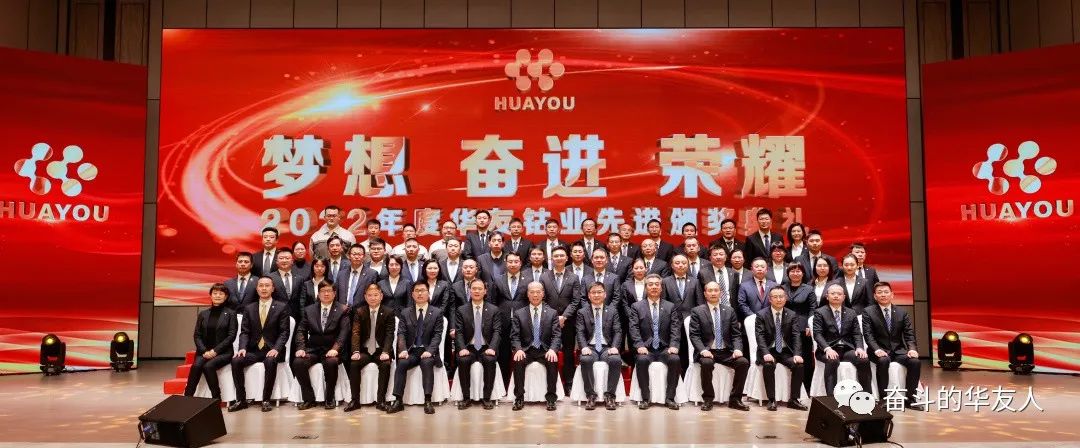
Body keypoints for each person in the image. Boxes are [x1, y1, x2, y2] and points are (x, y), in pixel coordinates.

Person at [229, 276, 291, 413]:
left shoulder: (281, 307)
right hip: (254, 350)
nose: (264, 288)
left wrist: (276, 348)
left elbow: (284, 332)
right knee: (236, 361)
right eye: (261, 285)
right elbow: (245, 332)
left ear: (273, 288)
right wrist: (242, 348)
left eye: (267, 285)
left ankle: (266, 400)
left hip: (273, 349)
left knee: (270, 361)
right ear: (257, 289)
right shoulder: (249, 308)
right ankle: (241, 400)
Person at [688, 281, 750, 411]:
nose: (713, 293)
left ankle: (735, 399)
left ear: (720, 293)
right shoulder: (697, 311)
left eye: (716, 290)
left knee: (743, 362)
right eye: (710, 290)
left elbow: (736, 334)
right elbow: (694, 335)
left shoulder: (729, 310)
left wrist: (737, 348)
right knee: (706, 363)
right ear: (705, 294)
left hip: (726, 351)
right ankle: (708, 399)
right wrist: (703, 350)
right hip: (708, 351)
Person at [861, 282, 923, 410]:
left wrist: (912, 349)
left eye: (886, 292)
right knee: (883, 361)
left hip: (898, 351)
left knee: (915, 362)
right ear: (875, 296)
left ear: (892, 294)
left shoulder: (901, 312)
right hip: (878, 350)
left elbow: (909, 334)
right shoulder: (868, 312)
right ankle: (883, 399)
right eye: (879, 292)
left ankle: (910, 399)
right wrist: (876, 349)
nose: (883, 295)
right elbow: (868, 335)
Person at [387, 282, 445, 415]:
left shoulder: (437, 312)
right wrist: (403, 349)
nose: (420, 293)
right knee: (402, 363)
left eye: (423, 290)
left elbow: (437, 335)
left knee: (427, 363)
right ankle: (398, 400)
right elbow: (401, 333)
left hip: (428, 351)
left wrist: (430, 351)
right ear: (412, 294)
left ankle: (428, 400)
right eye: (417, 291)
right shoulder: (405, 312)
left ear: (428, 293)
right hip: (411, 351)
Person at [291, 280, 350, 410]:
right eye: (323, 291)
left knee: (331, 362)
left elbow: (344, 333)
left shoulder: (342, 309)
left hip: (332, 349)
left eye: (329, 291)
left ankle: (329, 398)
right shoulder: (309, 310)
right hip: (313, 349)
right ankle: (309, 399)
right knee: (298, 362)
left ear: (334, 293)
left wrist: (335, 349)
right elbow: (301, 330)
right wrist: (301, 348)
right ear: (318, 294)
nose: (326, 294)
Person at [628, 274, 681, 410]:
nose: (654, 287)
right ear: (646, 287)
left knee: (675, 359)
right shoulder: (637, 306)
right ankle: (646, 398)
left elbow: (675, 328)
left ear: (661, 288)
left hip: (664, 348)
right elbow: (633, 328)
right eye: (650, 284)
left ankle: (670, 398)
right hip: (646, 349)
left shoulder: (670, 306)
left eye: (657, 284)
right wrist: (639, 345)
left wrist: (674, 345)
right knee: (641, 360)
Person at [510, 282, 562, 411]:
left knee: (552, 360)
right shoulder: (519, 313)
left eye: (538, 292)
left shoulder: (552, 313)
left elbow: (557, 335)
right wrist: (518, 349)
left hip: (545, 350)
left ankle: (551, 399)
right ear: (527, 294)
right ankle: (519, 398)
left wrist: (552, 350)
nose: (535, 295)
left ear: (543, 294)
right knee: (518, 360)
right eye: (532, 292)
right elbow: (514, 336)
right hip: (526, 350)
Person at [812, 284, 872, 397]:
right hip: (826, 350)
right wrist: (827, 349)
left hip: (846, 349)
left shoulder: (851, 312)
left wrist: (859, 348)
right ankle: (831, 399)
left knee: (863, 360)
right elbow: (818, 334)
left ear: (844, 297)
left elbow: (856, 333)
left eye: (839, 294)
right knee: (832, 360)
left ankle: (867, 396)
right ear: (827, 296)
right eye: (833, 293)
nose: (836, 296)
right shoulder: (820, 312)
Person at [754, 286, 807, 411]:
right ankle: (772, 399)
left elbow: (796, 336)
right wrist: (765, 353)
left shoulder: (792, 314)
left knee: (799, 365)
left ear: (786, 298)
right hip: (768, 350)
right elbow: (760, 336)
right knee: (768, 365)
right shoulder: (761, 314)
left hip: (785, 351)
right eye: (775, 297)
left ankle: (794, 400)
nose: (779, 299)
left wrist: (797, 354)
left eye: (781, 296)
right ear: (770, 299)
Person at [539, 246, 583, 394]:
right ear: (551, 259)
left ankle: (569, 383)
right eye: (556, 256)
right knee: (549, 351)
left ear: (566, 258)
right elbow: (542, 299)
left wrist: (564, 316)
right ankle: (550, 384)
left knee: (569, 353)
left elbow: (576, 300)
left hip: (568, 322)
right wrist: (554, 317)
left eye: (561, 255)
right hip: (548, 321)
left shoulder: (574, 277)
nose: (559, 258)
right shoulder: (544, 277)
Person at [344, 284, 395, 412]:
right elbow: (355, 333)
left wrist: (386, 351)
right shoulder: (360, 311)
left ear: (381, 296)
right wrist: (356, 351)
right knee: (354, 363)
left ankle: (381, 401)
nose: (373, 298)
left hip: (380, 350)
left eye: (376, 295)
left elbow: (389, 334)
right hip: (365, 350)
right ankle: (355, 401)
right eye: (370, 295)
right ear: (365, 297)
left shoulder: (389, 312)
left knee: (385, 364)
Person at [454, 278, 502, 410]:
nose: (476, 291)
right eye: (474, 288)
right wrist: (462, 348)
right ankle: (466, 398)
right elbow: (459, 332)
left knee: (489, 360)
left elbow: (497, 331)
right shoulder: (462, 310)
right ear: (469, 291)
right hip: (469, 347)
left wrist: (492, 348)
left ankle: (487, 398)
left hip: (486, 347)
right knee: (463, 360)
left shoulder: (494, 310)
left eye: (480, 289)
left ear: (485, 291)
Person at [185, 283, 238, 399]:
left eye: (221, 293)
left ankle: (216, 398)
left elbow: (231, 336)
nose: (217, 296)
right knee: (196, 366)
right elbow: (197, 335)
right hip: (204, 352)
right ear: (210, 295)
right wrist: (204, 351)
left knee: (208, 366)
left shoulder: (231, 314)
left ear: (226, 297)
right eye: (215, 293)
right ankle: (187, 398)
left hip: (223, 352)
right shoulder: (203, 314)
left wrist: (215, 351)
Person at [576, 282, 622, 411]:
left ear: (605, 294)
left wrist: (615, 347)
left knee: (616, 359)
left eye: (599, 292)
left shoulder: (612, 311)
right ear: (589, 295)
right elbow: (580, 332)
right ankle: (591, 395)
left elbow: (618, 331)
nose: (596, 295)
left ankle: (610, 396)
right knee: (585, 360)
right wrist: (583, 347)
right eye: (593, 292)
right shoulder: (582, 312)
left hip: (607, 347)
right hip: (590, 347)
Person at [493, 252, 528, 386]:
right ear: (505, 263)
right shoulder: (498, 280)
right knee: (503, 355)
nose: (513, 264)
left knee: (522, 353)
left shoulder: (528, 279)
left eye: (516, 261)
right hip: (503, 322)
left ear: (520, 263)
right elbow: (493, 302)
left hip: (523, 322)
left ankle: (521, 385)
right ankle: (504, 385)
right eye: (510, 261)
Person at [783, 263, 816, 390]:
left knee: (805, 357)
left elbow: (813, 308)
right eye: (792, 271)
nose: (795, 273)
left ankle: (806, 387)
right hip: (785, 326)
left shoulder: (808, 289)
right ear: (788, 273)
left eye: (798, 271)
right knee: (788, 355)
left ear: (803, 273)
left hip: (803, 327)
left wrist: (809, 324)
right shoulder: (782, 287)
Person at [619, 258, 649, 366]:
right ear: (632, 269)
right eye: (636, 268)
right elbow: (624, 303)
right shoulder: (626, 285)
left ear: (646, 269)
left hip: (648, 320)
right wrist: (632, 318)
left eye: (641, 267)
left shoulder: (651, 283)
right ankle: (633, 368)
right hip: (631, 321)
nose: (639, 270)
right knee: (633, 346)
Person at [336, 244, 379, 312]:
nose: (356, 257)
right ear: (349, 256)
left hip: (362, 312)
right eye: (354, 254)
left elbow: (375, 295)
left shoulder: (372, 274)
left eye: (359, 254)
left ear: (364, 256)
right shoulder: (341, 274)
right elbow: (336, 294)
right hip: (342, 311)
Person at [268, 247, 304, 318]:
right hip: (275, 316)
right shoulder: (270, 278)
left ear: (292, 261)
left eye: (287, 258)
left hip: (296, 316)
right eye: (281, 258)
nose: (284, 260)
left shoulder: (299, 279)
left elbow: (301, 299)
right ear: (276, 261)